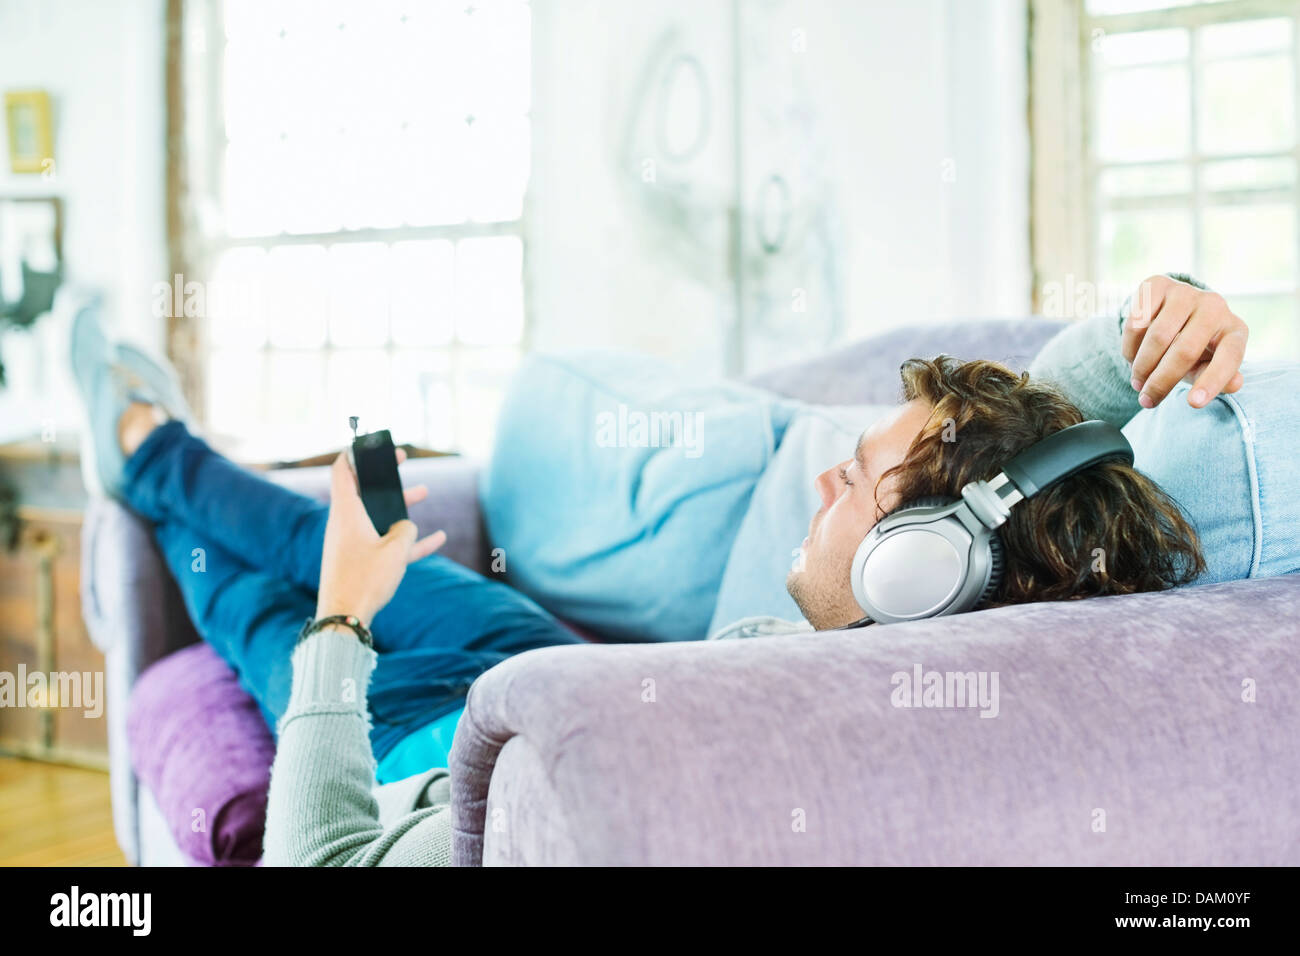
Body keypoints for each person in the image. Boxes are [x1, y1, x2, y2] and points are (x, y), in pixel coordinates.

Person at [69, 273, 1251, 865]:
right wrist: (1156, 319)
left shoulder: (551, 815)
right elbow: (1038, 458)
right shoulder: (927, 642)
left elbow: (319, 859)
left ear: (922, 566)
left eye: (860, 474)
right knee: (310, 527)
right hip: (537, 667)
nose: (825, 481)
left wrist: (338, 626)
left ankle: (138, 450)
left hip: (411, 746)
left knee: (243, 587)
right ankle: (156, 444)